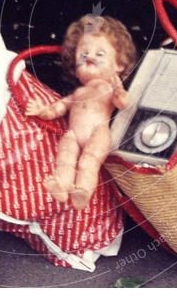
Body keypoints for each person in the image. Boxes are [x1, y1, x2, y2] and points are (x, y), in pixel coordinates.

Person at [26, 14, 137, 210]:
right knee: (65, 158)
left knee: (89, 161)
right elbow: (58, 108)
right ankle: (61, 184)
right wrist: (42, 111)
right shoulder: (78, 93)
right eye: (83, 55)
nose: (90, 57)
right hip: (73, 134)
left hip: (98, 132)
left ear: (119, 64)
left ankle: (83, 191)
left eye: (100, 54)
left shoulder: (108, 88)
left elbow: (123, 103)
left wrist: (119, 92)